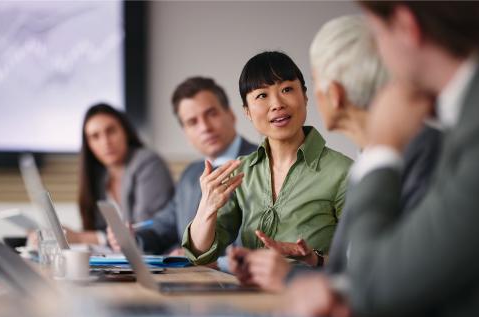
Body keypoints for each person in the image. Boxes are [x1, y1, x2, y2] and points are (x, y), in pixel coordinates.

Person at [285, 1, 479, 317]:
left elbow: (376, 280)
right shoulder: (474, 109)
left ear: (405, 26)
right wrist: (344, 290)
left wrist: (383, 147)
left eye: (376, 34)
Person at [228, 15, 441, 292]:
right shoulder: (370, 158)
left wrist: (291, 277)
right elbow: (353, 269)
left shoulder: (409, 155)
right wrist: (311, 263)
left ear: (335, 94)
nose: (279, 103)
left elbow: (392, 279)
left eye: (311, 83)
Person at [183, 51, 352, 266]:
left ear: (305, 96)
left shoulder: (343, 172)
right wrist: (206, 208)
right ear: (247, 111)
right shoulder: (240, 171)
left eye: (287, 89)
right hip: (252, 297)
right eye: (262, 95)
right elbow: (200, 253)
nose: (277, 104)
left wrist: (315, 260)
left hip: (312, 295)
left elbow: (366, 259)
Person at [107, 77, 257, 255]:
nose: (205, 127)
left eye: (211, 114)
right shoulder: (190, 175)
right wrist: (131, 238)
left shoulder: (262, 162)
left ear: (231, 115)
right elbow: (163, 227)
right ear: (186, 133)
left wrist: (195, 257)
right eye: (192, 122)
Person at [67, 103, 174, 245]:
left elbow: (145, 230)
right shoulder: (100, 177)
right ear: (89, 145)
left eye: (111, 131)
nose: (105, 142)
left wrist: (82, 238)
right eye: (95, 136)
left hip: (158, 257)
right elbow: (99, 228)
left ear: (125, 131)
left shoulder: (149, 163)